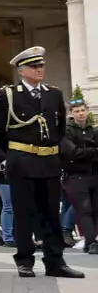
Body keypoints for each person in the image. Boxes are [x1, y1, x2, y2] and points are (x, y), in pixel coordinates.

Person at [0, 47, 84, 278]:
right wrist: (16, 154)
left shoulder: (53, 94)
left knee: (51, 213)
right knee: (25, 213)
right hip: (22, 162)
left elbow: (60, 129)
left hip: (49, 161)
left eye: (41, 65)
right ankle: (25, 260)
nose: (39, 69)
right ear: (22, 70)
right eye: (34, 66)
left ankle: (55, 261)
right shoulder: (10, 94)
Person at [61, 98, 98, 255]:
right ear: (71, 114)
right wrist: (93, 150)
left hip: (94, 175)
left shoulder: (94, 130)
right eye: (77, 111)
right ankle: (90, 242)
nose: (81, 114)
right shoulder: (66, 131)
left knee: (95, 209)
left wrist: (85, 151)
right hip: (75, 176)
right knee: (85, 210)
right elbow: (72, 153)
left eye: (83, 110)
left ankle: (93, 240)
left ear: (87, 111)